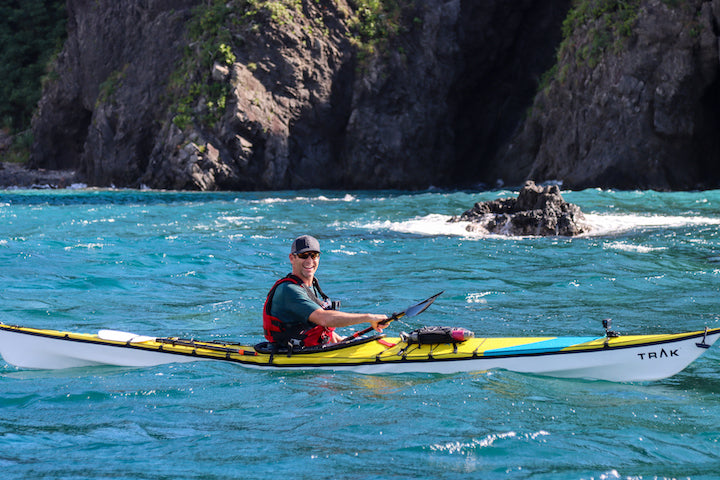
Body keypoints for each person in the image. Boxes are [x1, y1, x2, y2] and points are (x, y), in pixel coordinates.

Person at [263, 235, 388, 347]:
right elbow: (323, 318)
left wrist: (340, 340)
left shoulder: (310, 286)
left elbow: (317, 326)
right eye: (303, 255)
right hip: (289, 355)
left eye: (314, 255)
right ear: (292, 258)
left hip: (308, 349)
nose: (309, 260)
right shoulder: (289, 290)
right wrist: (369, 317)